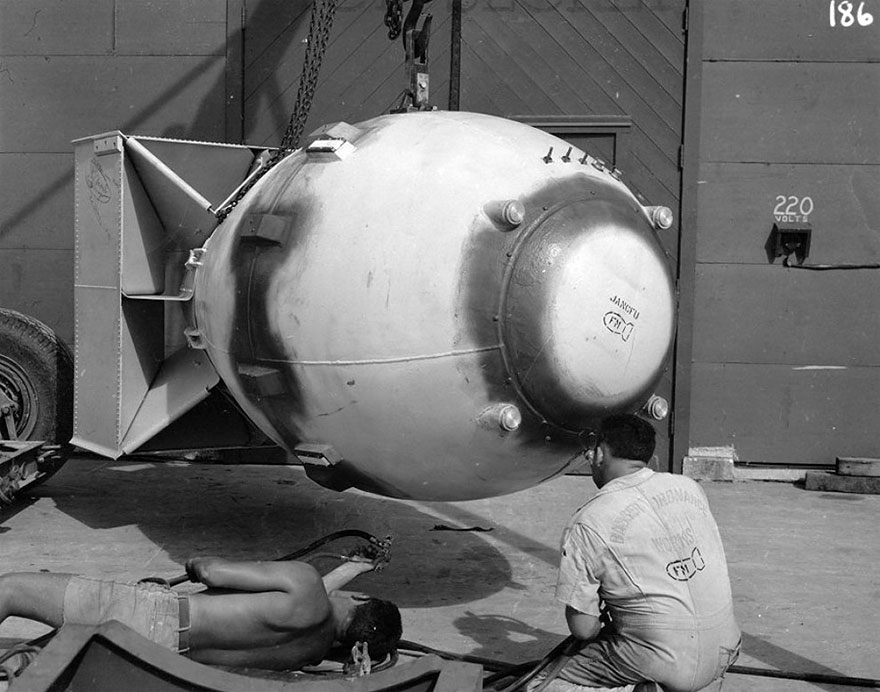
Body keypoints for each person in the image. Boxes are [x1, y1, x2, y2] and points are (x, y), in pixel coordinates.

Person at [535, 414, 740, 692]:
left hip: (660, 661)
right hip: (724, 652)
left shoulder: (589, 521)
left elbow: (583, 629)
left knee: (540, 684)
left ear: (600, 454)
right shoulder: (688, 488)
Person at [0, 551, 402, 671]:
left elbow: (210, 570)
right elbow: (314, 616)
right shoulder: (309, 653)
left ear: (362, 600)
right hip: (159, 657)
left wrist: (197, 563)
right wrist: (352, 568)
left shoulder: (305, 583)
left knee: (10, 589)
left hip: (150, 613)